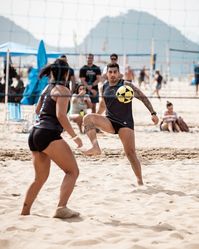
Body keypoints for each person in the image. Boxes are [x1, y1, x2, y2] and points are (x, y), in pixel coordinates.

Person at [21, 58, 83, 219]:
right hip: (48, 134)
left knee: (39, 178)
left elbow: (37, 110)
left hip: (34, 133)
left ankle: (24, 213)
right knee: (72, 171)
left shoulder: (47, 88)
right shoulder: (63, 90)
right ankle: (61, 207)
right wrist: (75, 137)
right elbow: (61, 115)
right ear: (66, 73)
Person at [82, 63, 159, 186]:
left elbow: (142, 96)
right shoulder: (104, 86)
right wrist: (96, 118)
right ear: (106, 74)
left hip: (125, 123)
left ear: (118, 73)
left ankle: (140, 181)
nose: (112, 74)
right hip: (110, 121)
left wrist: (153, 113)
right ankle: (96, 147)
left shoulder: (125, 85)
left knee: (130, 153)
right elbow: (103, 104)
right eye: (110, 72)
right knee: (87, 118)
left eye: (115, 72)